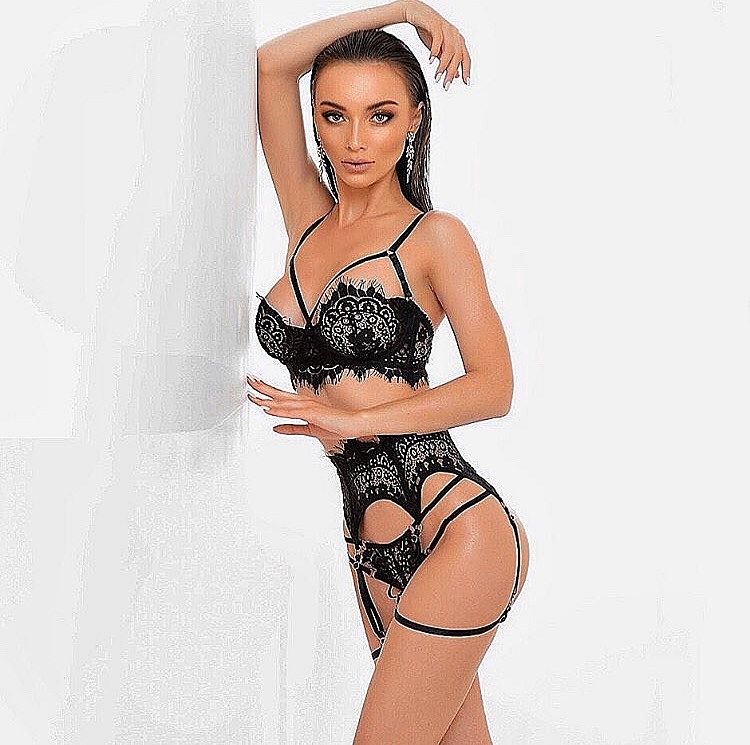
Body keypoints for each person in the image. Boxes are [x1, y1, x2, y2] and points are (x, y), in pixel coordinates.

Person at [247, 2, 530, 742]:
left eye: (380, 116)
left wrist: (356, 419)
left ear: (414, 122)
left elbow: (494, 386)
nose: (354, 140)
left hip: (455, 524)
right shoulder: (307, 221)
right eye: (333, 116)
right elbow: (271, 67)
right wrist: (403, 8)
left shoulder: (435, 238)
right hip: (368, 532)